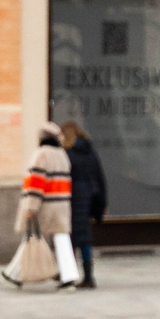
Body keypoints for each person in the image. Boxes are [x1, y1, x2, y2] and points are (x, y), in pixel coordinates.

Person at [12, 127, 79, 289]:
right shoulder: (62, 155)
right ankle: (69, 275)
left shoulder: (41, 154)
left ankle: (16, 274)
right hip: (61, 203)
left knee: (30, 236)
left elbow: (36, 182)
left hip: (44, 205)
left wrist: (31, 206)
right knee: (62, 239)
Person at [59, 121, 106, 289]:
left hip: (72, 197)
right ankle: (88, 276)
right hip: (89, 197)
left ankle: (70, 275)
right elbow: (100, 177)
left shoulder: (67, 153)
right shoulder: (90, 152)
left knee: (69, 237)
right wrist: (102, 201)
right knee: (85, 237)